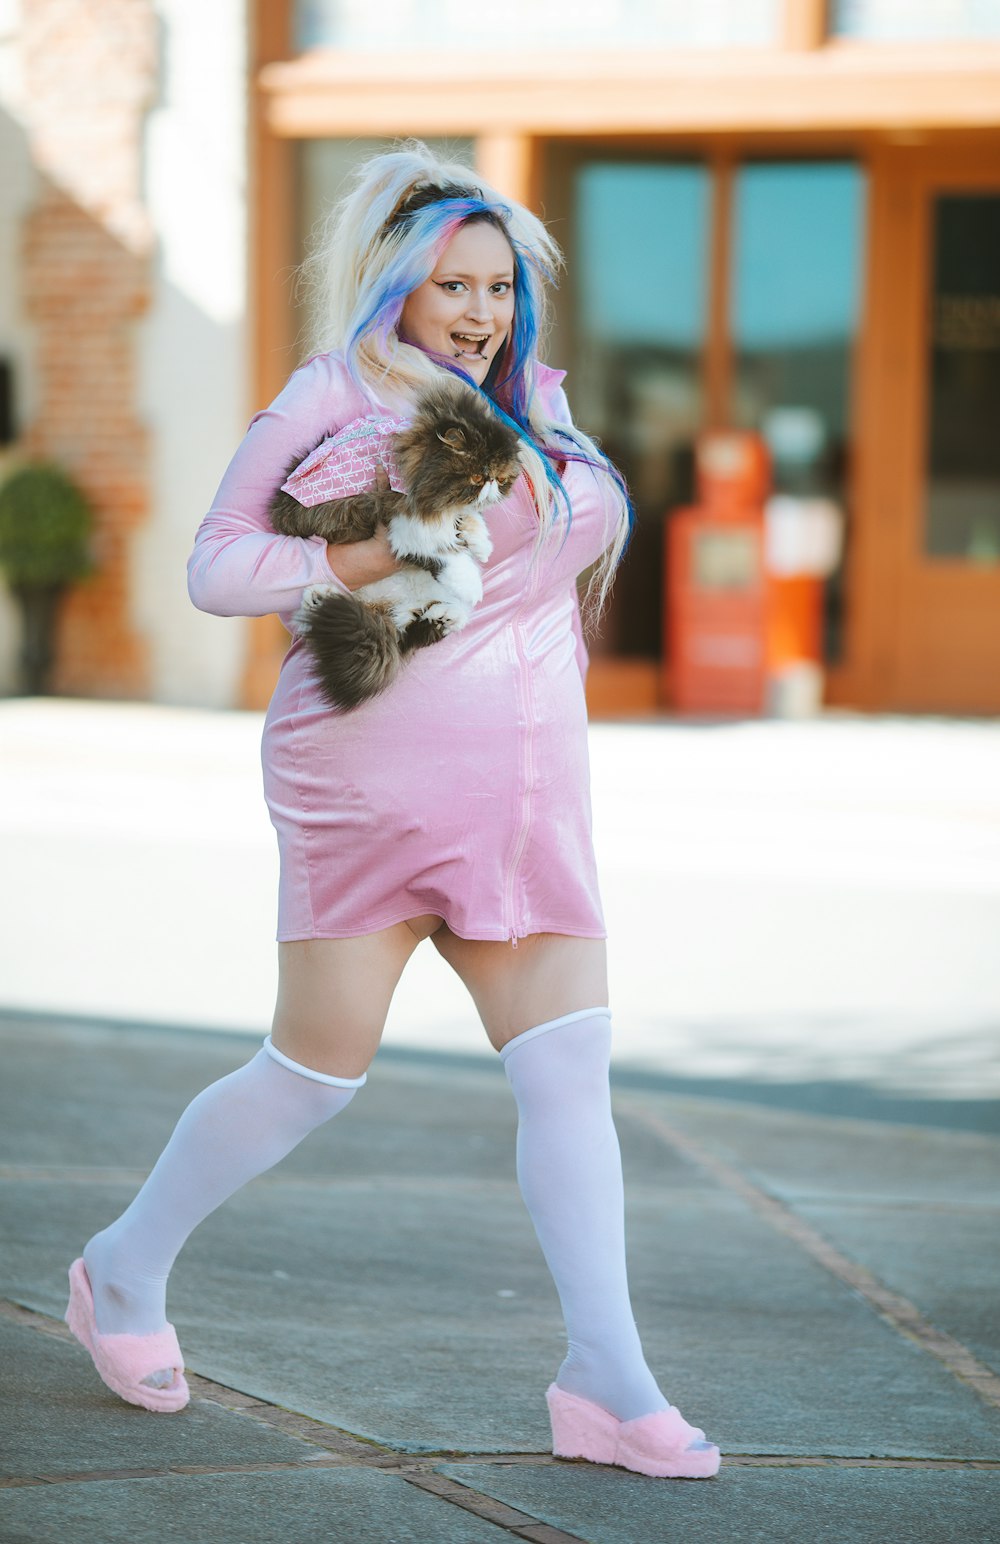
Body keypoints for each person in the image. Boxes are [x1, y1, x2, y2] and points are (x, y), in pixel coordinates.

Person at [65, 142, 720, 1481]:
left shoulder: (540, 406)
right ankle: (121, 1272)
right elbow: (213, 565)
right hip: (366, 781)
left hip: (528, 791)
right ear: (393, 289)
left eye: (498, 285)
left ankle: (607, 1375)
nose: (479, 313)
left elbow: (549, 556)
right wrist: (363, 544)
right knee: (311, 1075)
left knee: (567, 1071)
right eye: (450, 287)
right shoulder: (326, 395)